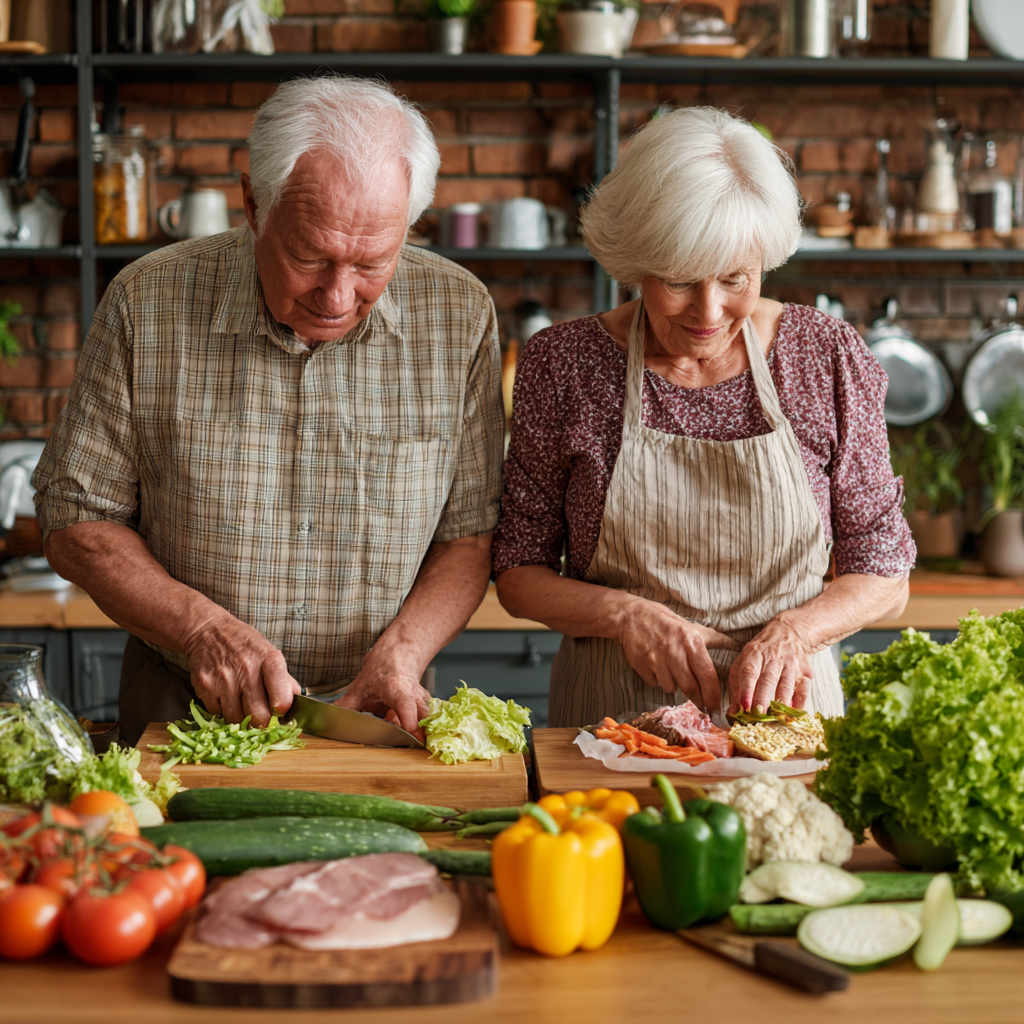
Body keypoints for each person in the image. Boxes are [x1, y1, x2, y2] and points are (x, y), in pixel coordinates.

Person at [33, 77, 504, 746]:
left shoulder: (460, 315)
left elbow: (471, 534)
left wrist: (402, 653)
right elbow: (76, 519)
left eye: (373, 263)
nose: (338, 296)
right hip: (187, 710)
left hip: (382, 714)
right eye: (310, 257)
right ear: (253, 204)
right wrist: (202, 630)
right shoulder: (147, 302)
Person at [492, 106, 914, 728]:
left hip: (787, 714)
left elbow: (884, 570)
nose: (710, 310)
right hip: (615, 718)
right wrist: (626, 616)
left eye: (736, 278)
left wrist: (793, 633)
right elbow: (518, 572)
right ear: (636, 261)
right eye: (680, 281)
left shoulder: (825, 356)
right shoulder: (566, 363)